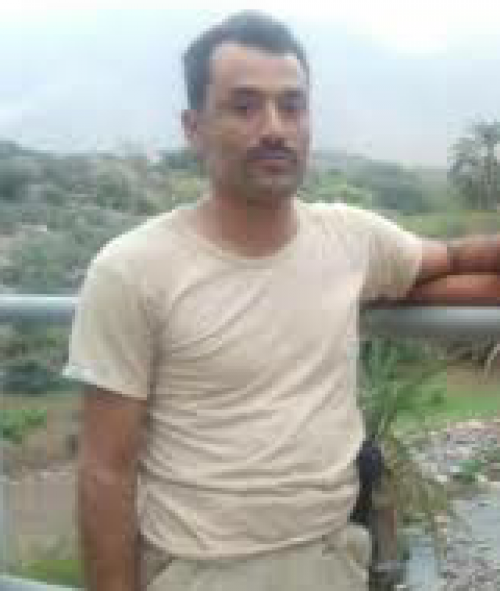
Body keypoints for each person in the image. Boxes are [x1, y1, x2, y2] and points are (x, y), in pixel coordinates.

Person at [64, 11, 500, 591]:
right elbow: (104, 472)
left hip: (334, 560)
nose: (275, 128)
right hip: (204, 572)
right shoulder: (133, 270)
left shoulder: (349, 238)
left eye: (292, 106)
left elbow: (453, 259)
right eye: (244, 107)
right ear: (194, 128)